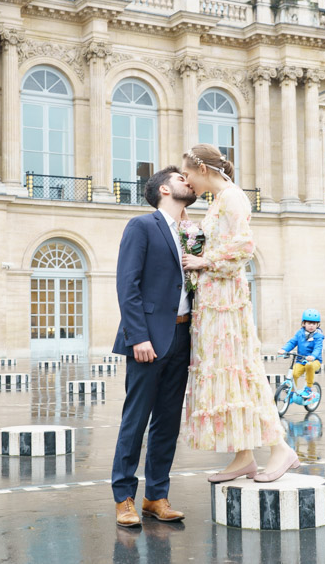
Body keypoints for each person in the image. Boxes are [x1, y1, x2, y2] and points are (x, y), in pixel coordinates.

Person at [181, 143, 299, 483]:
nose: (187, 182)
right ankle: (243, 455)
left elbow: (244, 246)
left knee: (242, 370)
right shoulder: (218, 201)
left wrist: (206, 261)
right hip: (214, 300)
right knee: (227, 372)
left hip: (227, 301)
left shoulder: (233, 197)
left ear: (203, 169)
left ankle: (280, 448)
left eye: (188, 174)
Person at [112, 166, 197, 527]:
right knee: (136, 419)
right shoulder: (142, 226)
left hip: (182, 336)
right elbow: (127, 285)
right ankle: (124, 498)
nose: (188, 182)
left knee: (168, 422)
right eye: (181, 179)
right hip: (148, 338)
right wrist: (138, 336)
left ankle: (156, 496)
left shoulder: (191, 232)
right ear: (164, 189)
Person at [278, 308, 324, 399]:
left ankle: (308, 388)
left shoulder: (318, 336)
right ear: (303, 323)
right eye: (309, 323)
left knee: (309, 366)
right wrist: (284, 350)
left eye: (314, 324)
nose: (311, 326)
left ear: (318, 324)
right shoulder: (300, 333)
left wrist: (313, 356)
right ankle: (291, 393)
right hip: (301, 360)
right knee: (293, 373)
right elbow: (292, 342)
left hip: (315, 361)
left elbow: (318, 348)